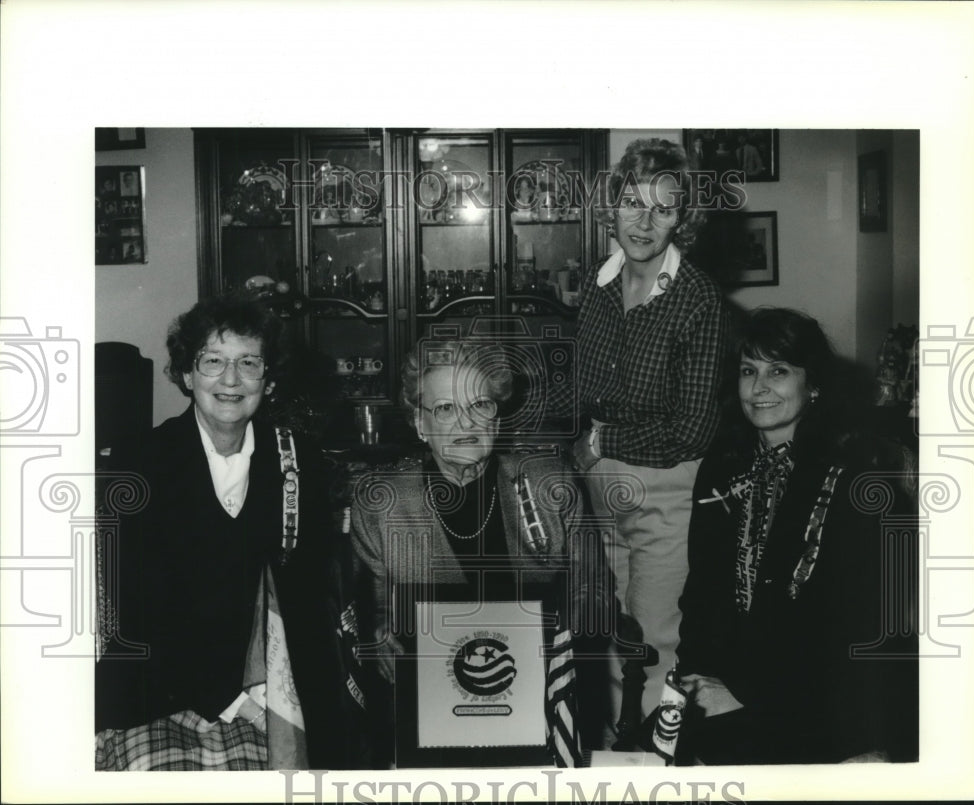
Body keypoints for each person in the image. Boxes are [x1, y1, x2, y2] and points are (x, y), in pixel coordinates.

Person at [95, 292, 366, 770]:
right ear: (185, 374)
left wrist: (281, 696)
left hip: (279, 688)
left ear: (270, 378)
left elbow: (307, 593)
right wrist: (233, 699)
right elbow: (138, 606)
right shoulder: (141, 462)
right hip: (163, 690)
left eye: (249, 363)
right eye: (213, 361)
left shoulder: (297, 460)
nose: (231, 380)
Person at [674, 307, 918, 764]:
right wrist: (691, 680)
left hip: (824, 701)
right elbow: (702, 592)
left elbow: (860, 627)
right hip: (731, 686)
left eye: (779, 371)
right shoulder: (723, 465)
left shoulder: (855, 474)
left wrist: (748, 696)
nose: (759, 387)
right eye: (749, 371)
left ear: (814, 386)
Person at [351, 338, 609, 767]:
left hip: (542, 703)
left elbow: (592, 593)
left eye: (480, 405)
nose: (465, 422)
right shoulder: (384, 504)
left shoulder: (550, 485)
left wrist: (551, 655)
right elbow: (374, 621)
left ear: (497, 414)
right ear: (420, 424)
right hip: (428, 714)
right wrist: (397, 652)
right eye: (446, 409)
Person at [573, 137, 729, 742]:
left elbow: (692, 429)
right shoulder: (597, 285)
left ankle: (657, 761)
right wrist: (580, 445)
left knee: (654, 638)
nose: (644, 220)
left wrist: (603, 436)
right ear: (612, 206)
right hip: (601, 488)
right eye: (633, 202)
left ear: (682, 219)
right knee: (610, 633)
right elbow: (582, 391)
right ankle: (618, 754)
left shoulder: (697, 299)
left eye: (663, 209)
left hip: (664, 493)